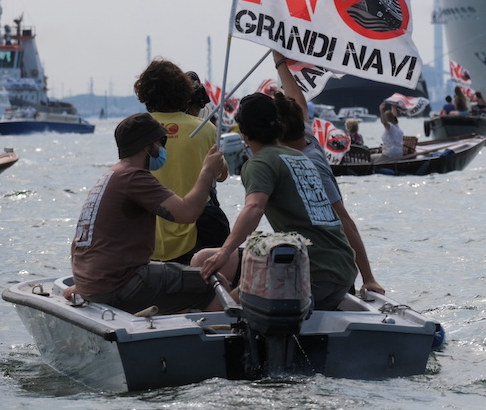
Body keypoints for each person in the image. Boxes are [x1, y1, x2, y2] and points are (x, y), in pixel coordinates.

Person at [195, 93, 358, 311]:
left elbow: (254, 207)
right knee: (205, 256)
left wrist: (225, 251)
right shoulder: (300, 156)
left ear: (242, 131)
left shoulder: (259, 163)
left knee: (218, 307)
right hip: (344, 272)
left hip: (313, 275)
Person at [67, 114, 227, 314]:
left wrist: (83, 286)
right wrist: (207, 172)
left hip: (91, 284)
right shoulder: (134, 177)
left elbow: (77, 244)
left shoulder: (110, 176)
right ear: (147, 146)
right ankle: (211, 341)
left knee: (179, 285)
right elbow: (187, 214)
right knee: (216, 284)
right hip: (120, 284)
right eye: (162, 143)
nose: (164, 149)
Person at [270, 52, 384, 294]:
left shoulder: (310, 168)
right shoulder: (306, 136)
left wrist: (369, 278)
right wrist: (280, 63)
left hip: (327, 270)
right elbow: (297, 101)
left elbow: (345, 220)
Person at [134, 59, 230, 265]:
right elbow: (221, 175)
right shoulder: (205, 129)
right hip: (195, 238)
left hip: (147, 239)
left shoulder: (136, 129)